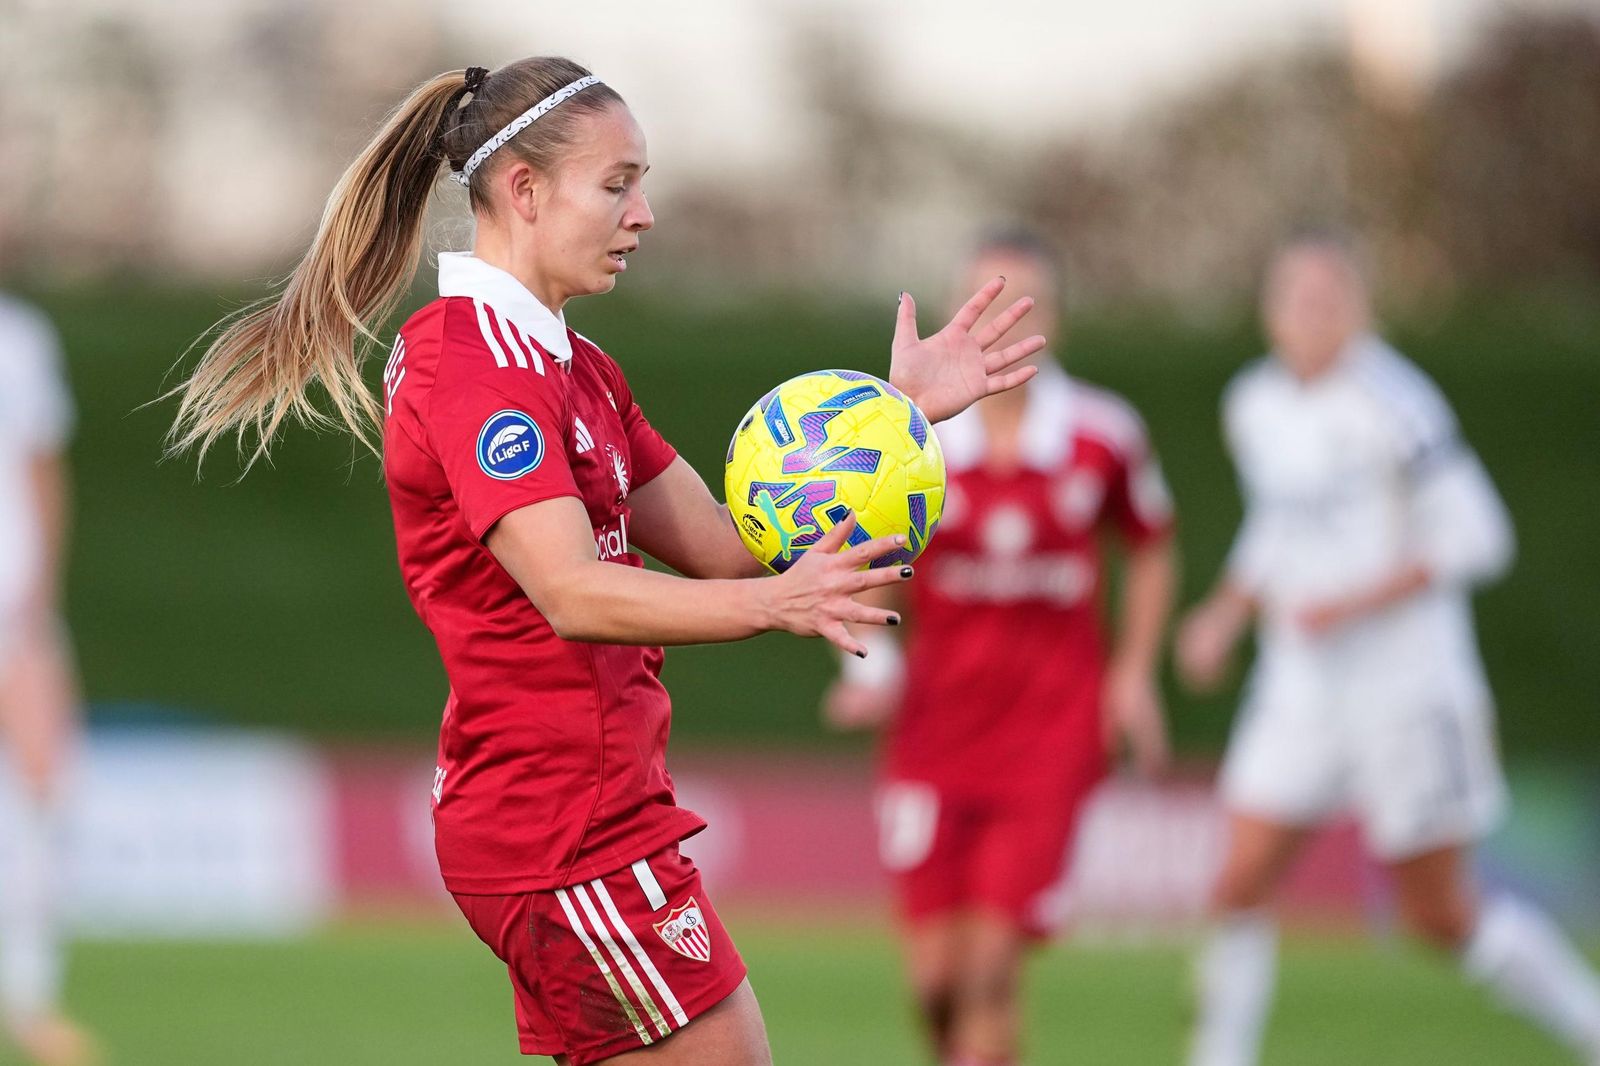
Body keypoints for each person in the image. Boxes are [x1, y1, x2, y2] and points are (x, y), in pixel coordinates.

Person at [167, 58, 1043, 1066]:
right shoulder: (478, 365)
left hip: (594, 815)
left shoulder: (574, 367)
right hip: (557, 828)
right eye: (618, 183)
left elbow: (724, 543)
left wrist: (889, 423)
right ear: (525, 191)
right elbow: (573, 591)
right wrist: (777, 604)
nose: (645, 214)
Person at [1177, 236, 1600, 1066]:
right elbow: (1279, 524)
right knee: (1238, 880)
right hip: (1300, 686)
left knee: (1438, 916)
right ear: (1270, 311)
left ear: (1359, 311)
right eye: (1297, 299)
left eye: (1330, 300)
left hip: (1406, 688)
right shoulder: (1253, 403)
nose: (1312, 316)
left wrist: (1351, 603)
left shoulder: (1398, 404)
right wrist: (1225, 613)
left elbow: (1482, 538)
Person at [822, 230, 1177, 1066]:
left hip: (1051, 736)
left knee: (989, 970)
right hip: (932, 732)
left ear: (1055, 318)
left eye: (1025, 302)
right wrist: (864, 667)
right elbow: (878, 564)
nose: (1002, 323)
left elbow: (1152, 543)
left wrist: (1132, 676)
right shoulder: (919, 443)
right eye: (983, 303)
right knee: (935, 985)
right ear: (954, 317)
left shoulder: (1103, 434)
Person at [0, 294, 96, 1066]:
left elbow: (41, 469)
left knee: (43, 789)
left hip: (13, 613)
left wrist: (40, 593)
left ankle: (31, 999)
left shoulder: (21, 337)